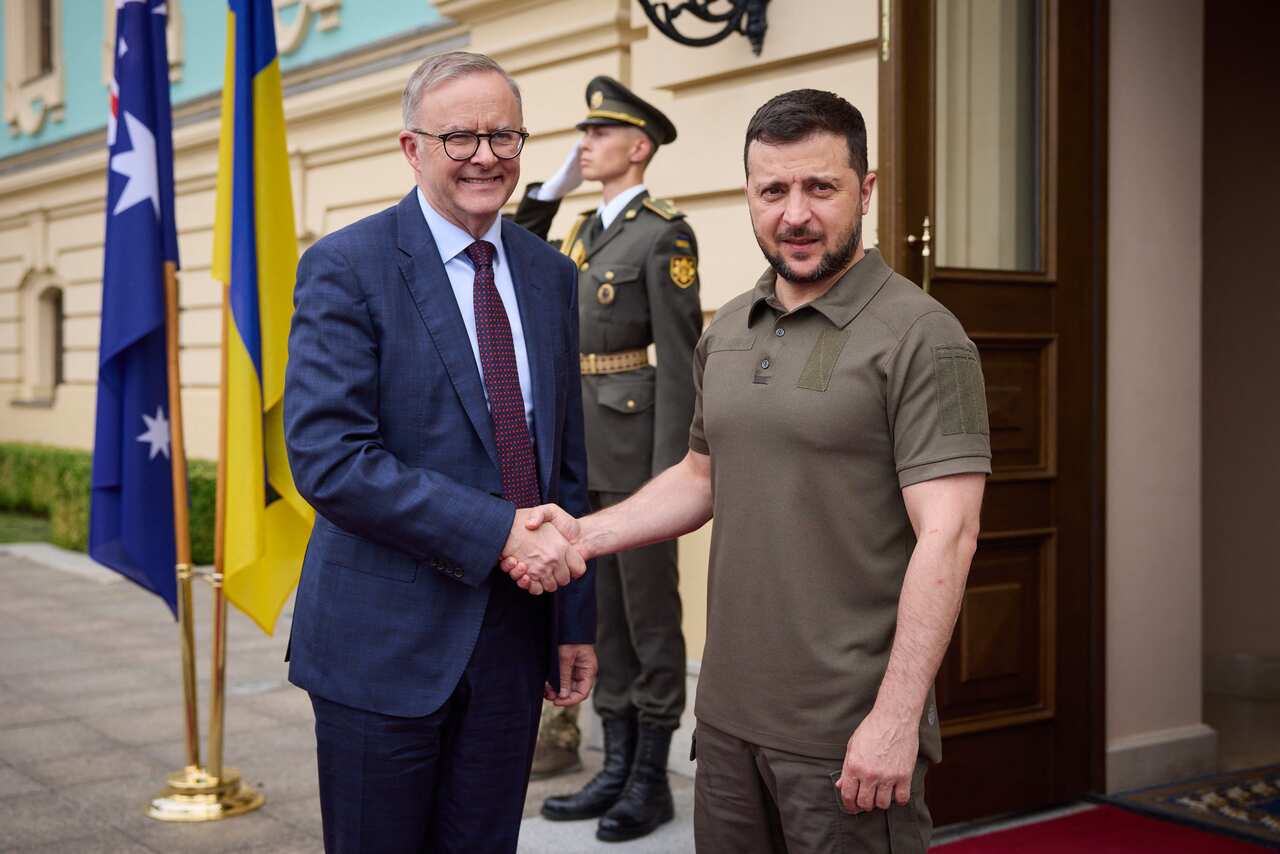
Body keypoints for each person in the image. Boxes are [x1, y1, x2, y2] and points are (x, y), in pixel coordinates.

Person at [505, 88, 991, 854]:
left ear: (865, 190)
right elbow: (699, 479)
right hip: (728, 725)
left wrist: (896, 719)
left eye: (820, 187)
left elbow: (951, 536)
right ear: (750, 197)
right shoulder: (728, 328)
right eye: (773, 190)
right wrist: (577, 536)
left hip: (844, 737)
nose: (794, 214)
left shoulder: (925, 337)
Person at [283, 51, 596, 854]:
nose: (485, 156)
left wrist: (573, 620)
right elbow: (330, 458)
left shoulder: (550, 275)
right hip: (380, 647)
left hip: (512, 645)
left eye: (503, 135)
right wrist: (498, 532)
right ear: (411, 148)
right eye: (458, 137)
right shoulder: (346, 267)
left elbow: (565, 462)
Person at [508, 76, 702, 842]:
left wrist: (669, 477)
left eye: (597, 135)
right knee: (601, 617)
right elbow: (519, 245)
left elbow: (683, 364)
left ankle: (650, 777)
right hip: (580, 449)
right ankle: (614, 767)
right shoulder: (586, 229)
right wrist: (547, 191)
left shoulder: (664, 233)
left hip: (638, 448)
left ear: (638, 147)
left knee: (649, 618)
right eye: (582, 135)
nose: (583, 145)